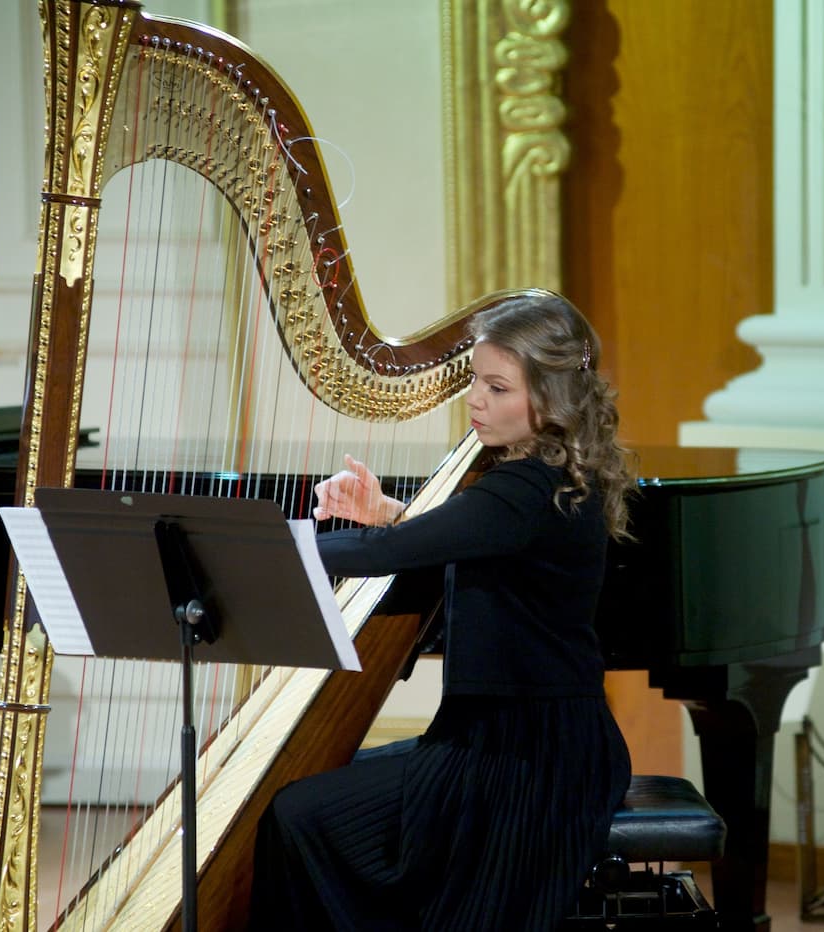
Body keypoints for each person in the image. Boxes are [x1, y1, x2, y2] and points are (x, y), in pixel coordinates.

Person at [248, 288, 637, 930]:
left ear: (553, 395)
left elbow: (396, 551)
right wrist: (388, 516)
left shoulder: (523, 489)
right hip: (523, 737)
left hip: (524, 761)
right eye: (476, 382)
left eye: (498, 387)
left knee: (302, 814)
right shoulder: (548, 477)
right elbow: (460, 541)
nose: (476, 401)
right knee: (315, 798)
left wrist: (265, 547)